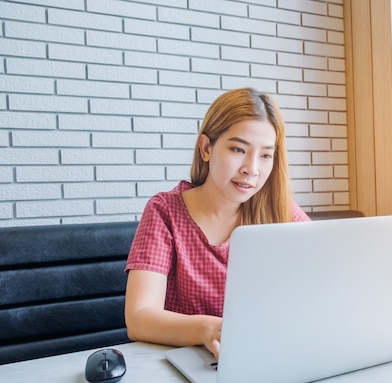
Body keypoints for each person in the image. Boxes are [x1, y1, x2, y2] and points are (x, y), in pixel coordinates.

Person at [124, 88, 310, 360]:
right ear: (206, 148)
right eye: (238, 149)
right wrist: (210, 329)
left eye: (265, 155)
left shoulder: (280, 211)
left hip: (265, 357)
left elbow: (327, 282)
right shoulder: (165, 212)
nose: (252, 168)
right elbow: (139, 318)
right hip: (190, 364)